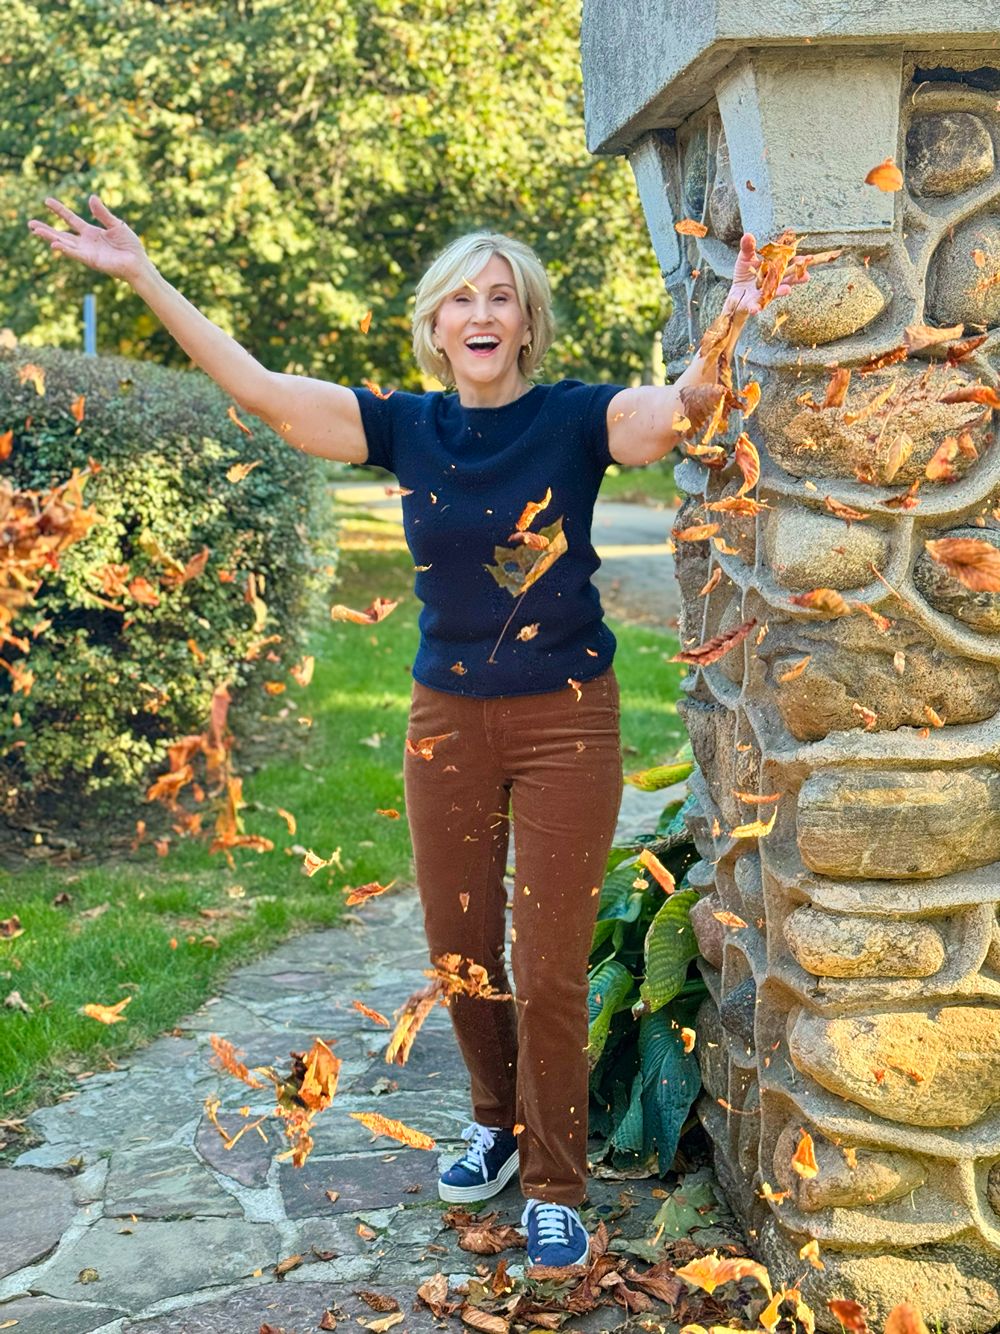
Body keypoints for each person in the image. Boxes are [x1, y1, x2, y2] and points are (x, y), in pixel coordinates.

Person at [26, 195, 806, 1269]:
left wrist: (723, 341)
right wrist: (144, 276)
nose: (481, 314)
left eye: (501, 298)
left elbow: (670, 410)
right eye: (461, 299)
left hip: (565, 720)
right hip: (445, 721)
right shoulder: (405, 427)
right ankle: (496, 1123)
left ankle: (555, 1184)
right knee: (460, 952)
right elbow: (259, 390)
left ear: (526, 324)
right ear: (435, 324)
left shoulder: (574, 417)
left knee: (546, 967)